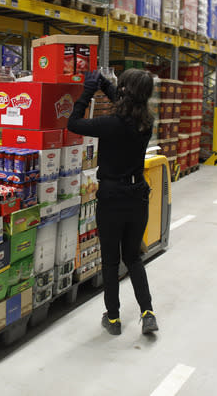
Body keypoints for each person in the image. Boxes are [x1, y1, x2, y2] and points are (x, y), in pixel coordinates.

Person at [67, 68, 158, 336]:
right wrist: (105, 85)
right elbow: (127, 105)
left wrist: (87, 91)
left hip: (111, 199)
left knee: (110, 261)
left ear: (124, 92)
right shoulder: (146, 122)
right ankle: (147, 312)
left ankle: (114, 318)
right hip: (137, 197)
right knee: (133, 257)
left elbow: (72, 123)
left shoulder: (109, 124)